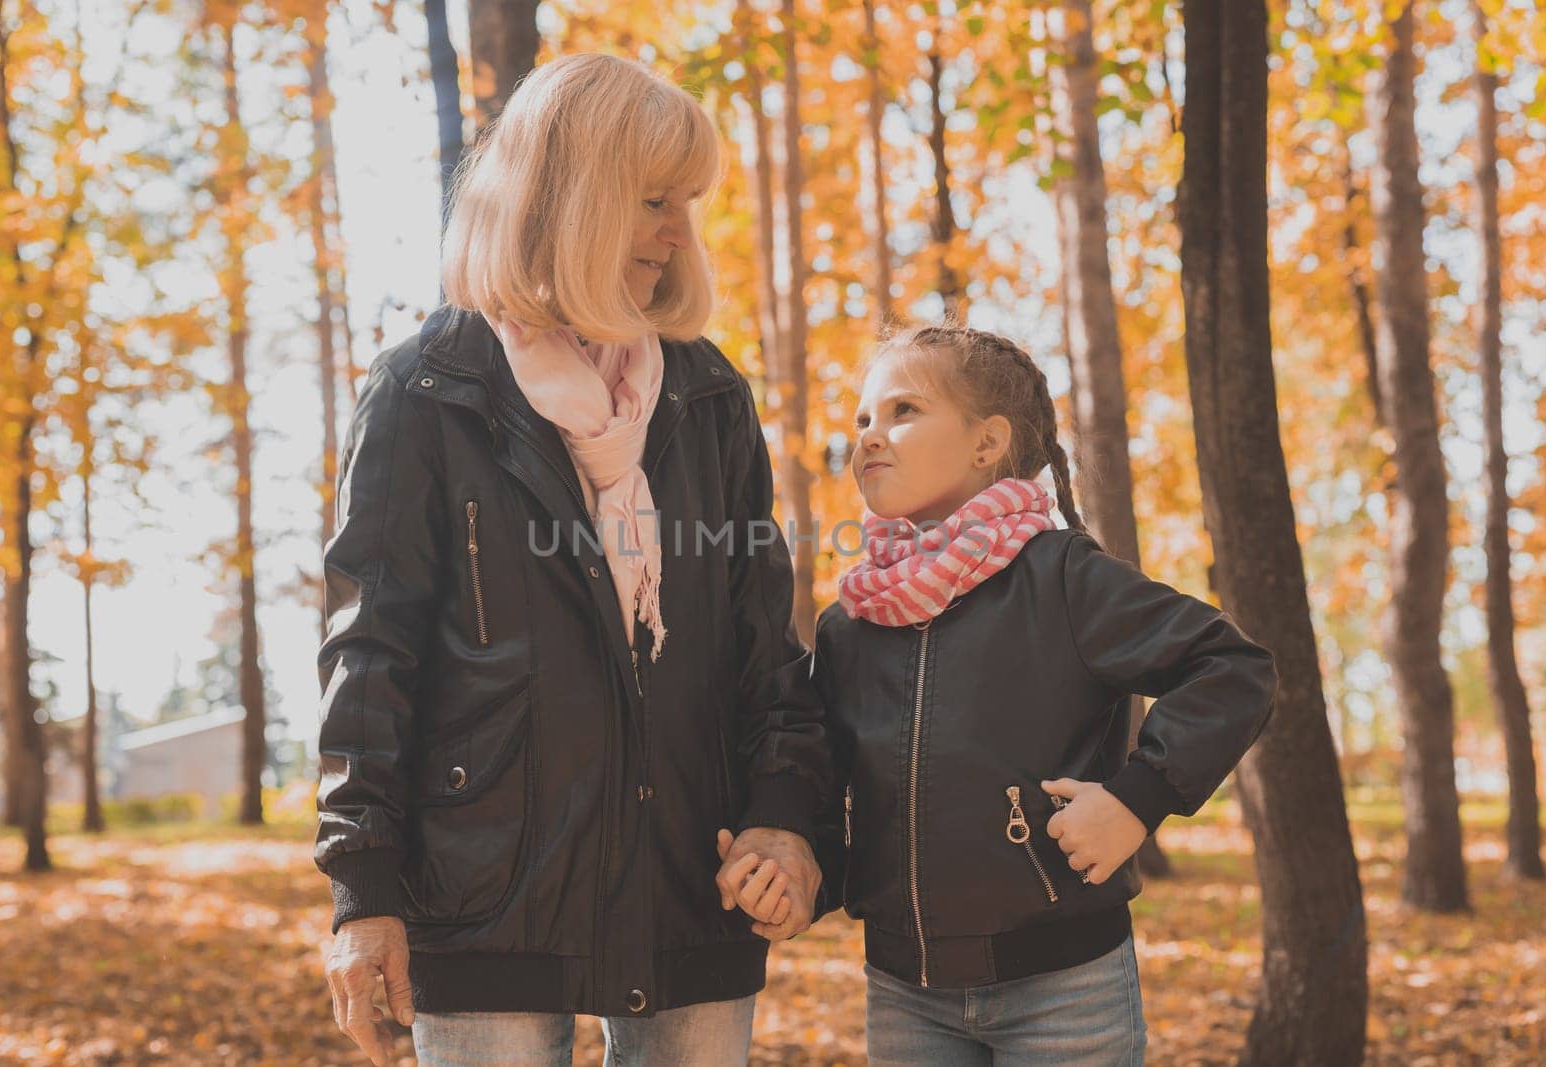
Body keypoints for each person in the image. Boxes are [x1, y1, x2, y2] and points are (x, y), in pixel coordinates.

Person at [314, 53, 828, 1067]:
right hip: (480, 895)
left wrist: (785, 819)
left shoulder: (707, 396)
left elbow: (766, 650)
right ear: (571, 197)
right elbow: (370, 650)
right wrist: (360, 889)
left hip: (694, 886)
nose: (678, 232)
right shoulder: (427, 387)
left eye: (685, 202)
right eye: (651, 200)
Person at [799, 324, 1278, 1065]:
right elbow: (827, 790)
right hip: (904, 993)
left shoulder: (1060, 579)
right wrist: (797, 864)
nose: (869, 435)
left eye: (903, 411)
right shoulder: (851, 622)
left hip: (1065, 989)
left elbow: (1232, 668)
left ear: (988, 442)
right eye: (862, 418)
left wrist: (1137, 797)